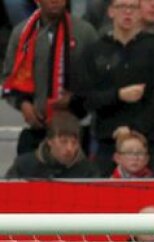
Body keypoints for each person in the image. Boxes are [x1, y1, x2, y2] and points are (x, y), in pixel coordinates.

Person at [78, 0, 154, 167]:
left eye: (133, 7)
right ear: (111, 11)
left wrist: (132, 131)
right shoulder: (95, 50)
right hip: (107, 141)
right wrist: (118, 95)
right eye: (122, 6)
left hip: (149, 142)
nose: (127, 12)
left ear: (140, 12)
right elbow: (87, 98)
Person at [2, 0, 98, 155]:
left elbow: (99, 80)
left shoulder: (85, 33)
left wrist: (75, 99)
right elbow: (8, 79)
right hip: (37, 125)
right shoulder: (21, 34)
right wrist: (23, 104)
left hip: (76, 129)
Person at [4, 110, 98, 178]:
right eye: (63, 141)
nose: (70, 148)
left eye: (74, 143)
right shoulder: (24, 166)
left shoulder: (88, 172)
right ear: (50, 141)